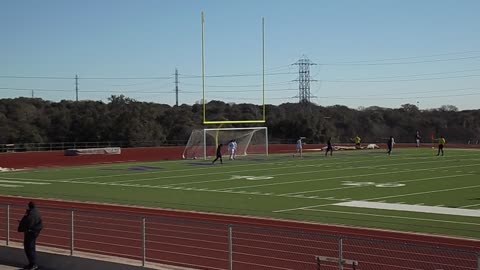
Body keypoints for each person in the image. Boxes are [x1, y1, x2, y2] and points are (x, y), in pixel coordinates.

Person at [18, 201, 43, 270]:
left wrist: (23, 226)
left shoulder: (31, 213)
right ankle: (31, 264)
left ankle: (33, 264)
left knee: (29, 248)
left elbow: (29, 222)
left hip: (30, 232)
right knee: (30, 247)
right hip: (34, 232)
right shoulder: (36, 212)